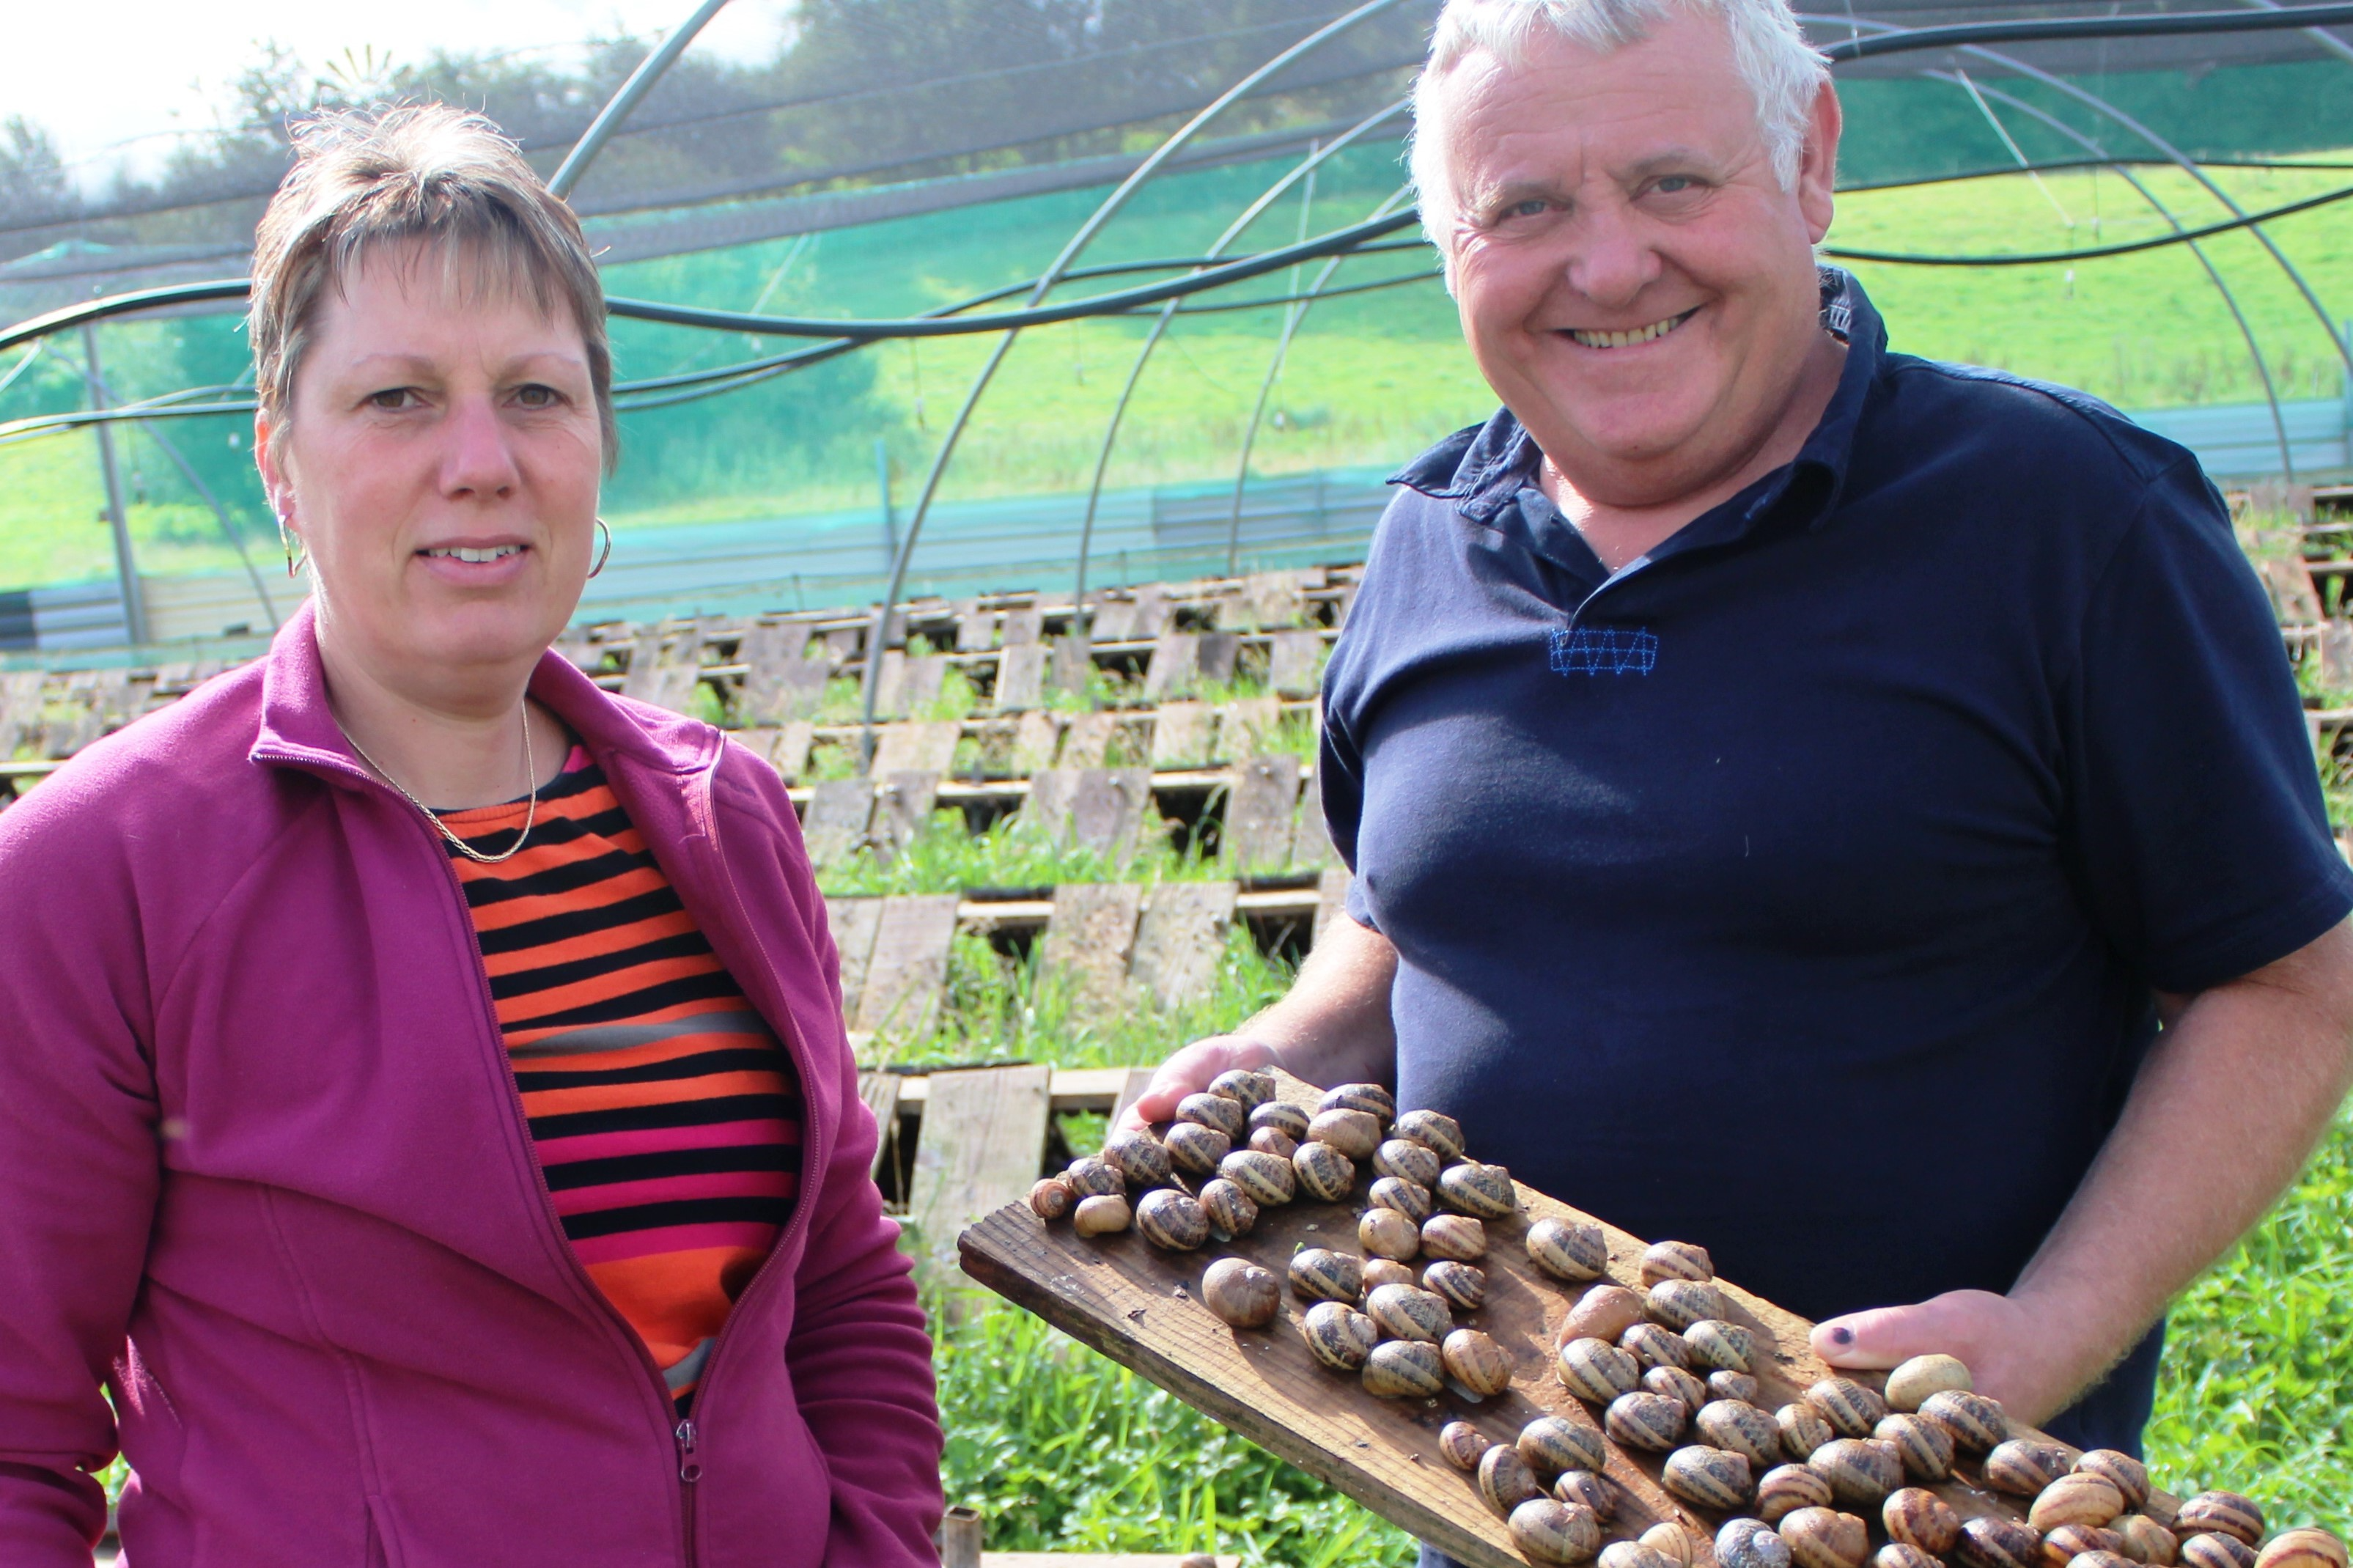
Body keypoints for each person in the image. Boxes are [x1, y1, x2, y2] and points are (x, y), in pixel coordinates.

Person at [1128, 0, 2353, 1496]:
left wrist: (2047, 1331)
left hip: (1908, 1500)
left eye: (1672, 183)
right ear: (1447, 238)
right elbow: (1410, 907)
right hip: (1504, 1487)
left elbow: (2284, 984)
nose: (1610, 264)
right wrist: (1284, 1048)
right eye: (1524, 207)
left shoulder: (2070, 521)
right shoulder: (1427, 540)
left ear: (1813, 159)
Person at [0, 106, 941, 1567]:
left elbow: (843, 1272)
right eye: (398, 399)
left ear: (598, 445)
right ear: (277, 459)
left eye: (536, 395)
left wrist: (879, 1543)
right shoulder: (101, 874)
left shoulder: (720, 815)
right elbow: (13, 1429)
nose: (483, 458)